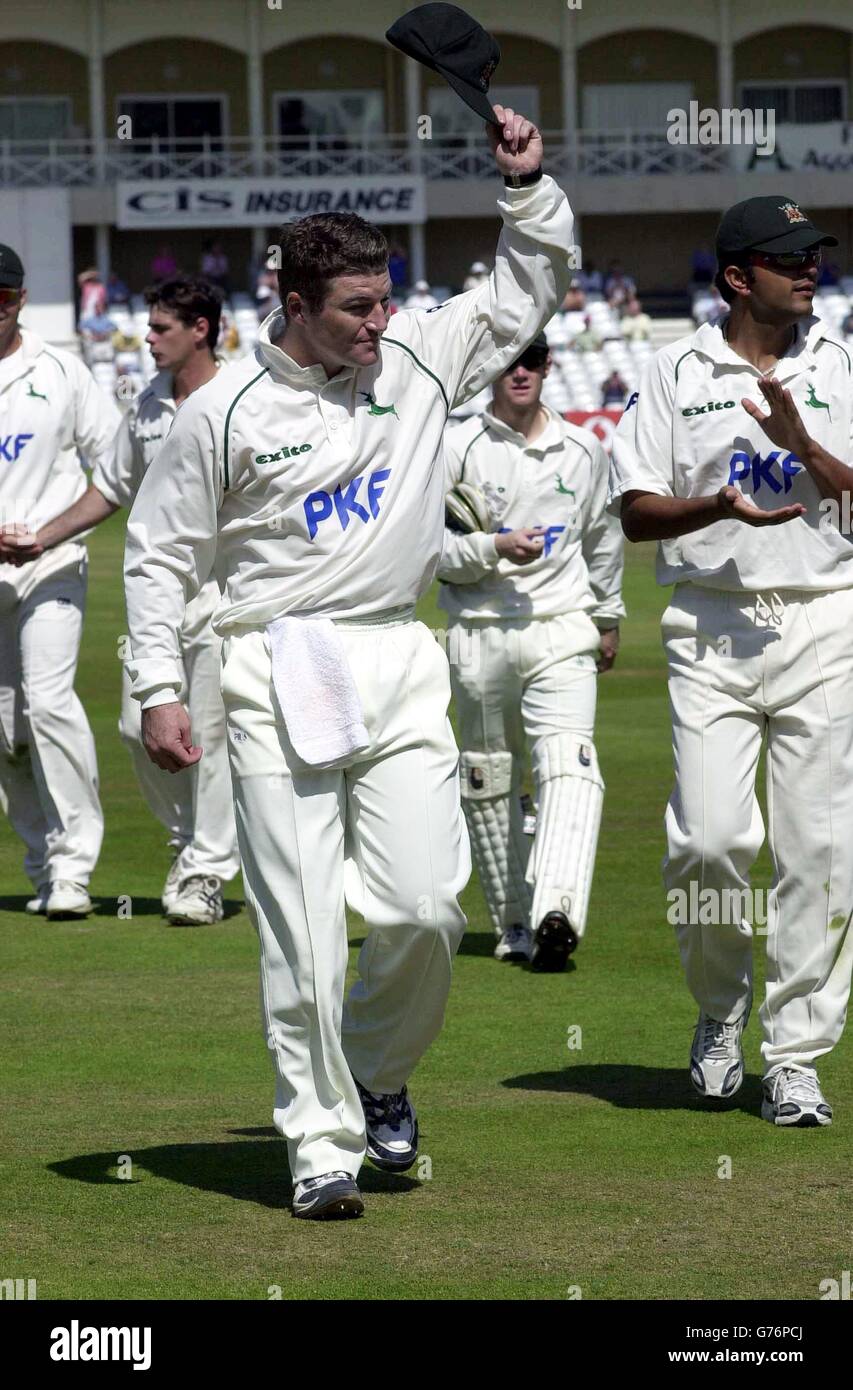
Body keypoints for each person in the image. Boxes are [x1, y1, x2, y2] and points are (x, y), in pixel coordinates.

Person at [122, 103, 573, 1219]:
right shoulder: (219, 415)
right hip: (275, 667)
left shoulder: (415, 349)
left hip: (397, 656)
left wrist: (524, 186)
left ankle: (374, 1069)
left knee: (427, 910)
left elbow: (526, 293)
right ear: (294, 307)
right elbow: (158, 554)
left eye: (384, 299)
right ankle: (316, 1142)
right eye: (356, 308)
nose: (379, 322)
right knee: (303, 925)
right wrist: (157, 689)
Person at [610, 195, 853, 1127]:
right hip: (709, 626)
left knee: (820, 851)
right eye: (786, 258)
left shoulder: (840, 362)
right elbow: (634, 513)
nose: (808, 269)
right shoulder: (673, 370)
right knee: (709, 843)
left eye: (814, 254)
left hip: (825, 618)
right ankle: (719, 1012)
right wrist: (716, 508)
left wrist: (803, 446)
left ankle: (794, 1056)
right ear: (733, 278)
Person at [7, 277, 241, 926]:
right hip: (159, 598)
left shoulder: (242, 400)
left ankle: (203, 873)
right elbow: (108, 489)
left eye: (161, 328)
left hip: (229, 595)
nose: (148, 338)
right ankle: (185, 845)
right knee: (139, 732)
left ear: (201, 330)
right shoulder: (146, 406)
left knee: (213, 737)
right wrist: (40, 540)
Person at [438, 333, 624, 968]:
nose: (521, 373)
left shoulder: (581, 450)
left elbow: (602, 540)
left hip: (560, 626)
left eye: (533, 361)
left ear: (549, 367)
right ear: (491, 370)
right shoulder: (453, 446)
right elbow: (427, 553)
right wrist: (492, 547)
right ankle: (513, 924)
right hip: (477, 630)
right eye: (509, 363)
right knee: (489, 777)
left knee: (569, 763)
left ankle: (558, 909)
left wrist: (607, 617)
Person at [0, 243, 120, 917]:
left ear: (17, 300)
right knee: (5, 730)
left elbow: (114, 472)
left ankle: (74, 868)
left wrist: (46, 534)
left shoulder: (61, 372)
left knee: (47, 704)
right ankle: (43, 863)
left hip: (51, 564)